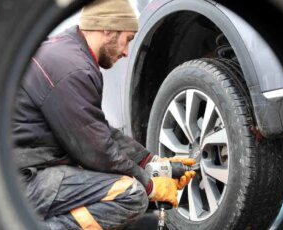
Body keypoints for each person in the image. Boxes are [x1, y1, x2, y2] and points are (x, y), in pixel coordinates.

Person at [12, 0, 196, 229]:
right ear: (108, 29)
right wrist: (150, 186)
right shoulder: (74, 69)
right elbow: (95, 150)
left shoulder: (67, 52)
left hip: (29, 172)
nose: (127, 52)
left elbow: (96, 129)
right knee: (131, 194)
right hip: (26, 182)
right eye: (127, 39)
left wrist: (151, 161)